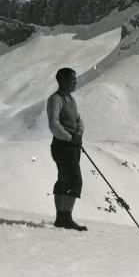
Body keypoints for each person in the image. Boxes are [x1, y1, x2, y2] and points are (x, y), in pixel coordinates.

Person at [47, 67, 87, 231]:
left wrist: (79, 132)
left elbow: (79, 120)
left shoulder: (70, 99)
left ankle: (62, 218)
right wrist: (71, 137)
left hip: (71, 145)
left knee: (65, 178)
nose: (75, 82)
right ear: (62, 80)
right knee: (74, 179)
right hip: (64, 145)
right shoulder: (55, 99)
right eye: (72, 79)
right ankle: (65, 217)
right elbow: (53, 124)